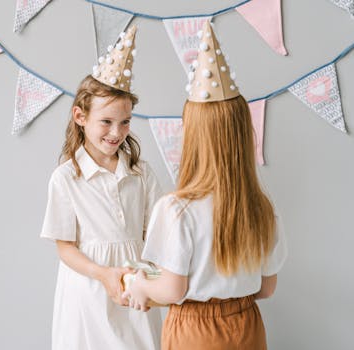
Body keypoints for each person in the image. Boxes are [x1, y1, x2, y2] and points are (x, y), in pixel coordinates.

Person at [123, 21, 288, 350]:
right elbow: (266, 288)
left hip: (196, 332)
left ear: (192, 136)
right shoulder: (261, 208)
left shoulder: (176, 209)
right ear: (242, 135)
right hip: (247, 327)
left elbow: (171, 289)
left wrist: (137, 284)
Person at [41, 26, 162, 350]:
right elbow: (65, 247)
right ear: (80, 116)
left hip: (135, 288)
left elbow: (155, 235)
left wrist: (155, 280)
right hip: (88, 293)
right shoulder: (67, 178)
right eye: (106, 122)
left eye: (124, 122)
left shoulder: (141, 174)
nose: (116, 132)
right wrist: (103, 273)